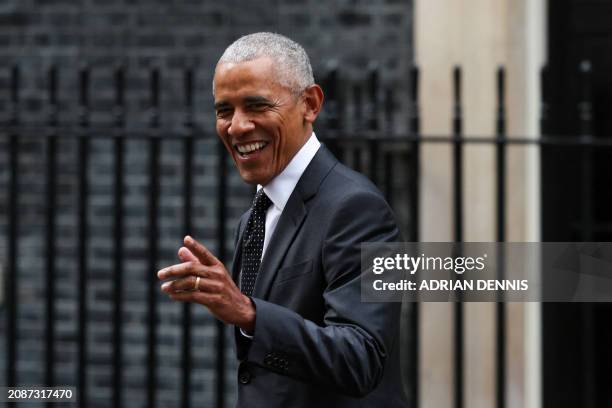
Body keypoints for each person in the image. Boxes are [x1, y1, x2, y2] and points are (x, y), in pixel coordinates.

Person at [157, 32, 408, 407]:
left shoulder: (356, 207)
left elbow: (361, 358)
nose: (237, 126)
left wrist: (249, 314)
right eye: (224, 110)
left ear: (310, 104)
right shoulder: (256, 215)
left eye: (256, 105)